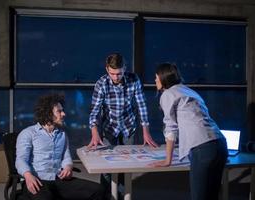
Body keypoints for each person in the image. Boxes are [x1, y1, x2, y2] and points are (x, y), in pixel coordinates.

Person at [150, 63, 228, 200]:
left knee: (199, 196)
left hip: (202, 147)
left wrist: (167, 160)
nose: (155, 80)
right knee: (212, 196)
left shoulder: (168, 94)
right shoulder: (188, 91)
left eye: (156, 78)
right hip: (220, 144)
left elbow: (171, 128)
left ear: (163, 79)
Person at [88, 53, 158, 198]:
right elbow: (94, 110)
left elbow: (141, 106)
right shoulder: (101, 83)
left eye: (119, 73)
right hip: (109, 128)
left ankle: (122, 195)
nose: (116, 77)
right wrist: (94, 132)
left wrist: (146, 131)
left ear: (124, 68)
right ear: (107, 69)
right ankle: (106, 196)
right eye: (112, 74)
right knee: (106, 167)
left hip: (128, 127)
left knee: (125, 165)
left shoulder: (134, 80)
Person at [15, 93, 105, 200]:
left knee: (99, 190)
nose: (63, 114)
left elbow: (66, 157)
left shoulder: (62, 134)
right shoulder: (28, 133)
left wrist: (68, 167)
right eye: (59, 111)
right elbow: (21, 160)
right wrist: (28, 176)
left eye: (62, 110)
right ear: (48, 113)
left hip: (59, 179)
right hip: (37, 180)